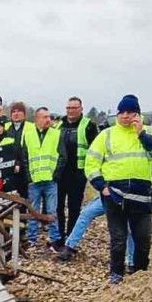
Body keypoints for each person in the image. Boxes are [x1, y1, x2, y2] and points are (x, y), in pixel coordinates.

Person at [84, 96, 152, 284]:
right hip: (114, 194)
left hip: (141, 195)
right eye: (121, 112)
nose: (125, 116)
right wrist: (102, 187)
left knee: (143, 238)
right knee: (118, 237)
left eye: (130, 112)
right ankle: (116, 273)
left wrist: (142, 135)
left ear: (137, 114)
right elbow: (91, 163)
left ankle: (140, 274)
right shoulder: (107, 134)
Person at [54, 97, 99, 244]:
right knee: (58, 206)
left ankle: (71, 237)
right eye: (68, 108)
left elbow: (95, 150)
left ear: (81, 109)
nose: (71, 111)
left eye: (74, 108)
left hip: (78, 173)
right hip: (60, 173)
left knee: (74, 207)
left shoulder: (89, 126)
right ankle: (59, 235)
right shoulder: (59, 125)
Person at [22, 107, 62, 251]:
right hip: (34, 180)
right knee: (33, 211)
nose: (48, 120)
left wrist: (56, 175)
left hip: (50, 180)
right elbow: (25, 157)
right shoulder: (28, 135)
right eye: (44, 117)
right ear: (37, 119)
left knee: (52, 211)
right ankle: (32, 239)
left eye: (49, 117)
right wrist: (28, 176)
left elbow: (62, 156)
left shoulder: (56, 134)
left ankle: (55, 240)